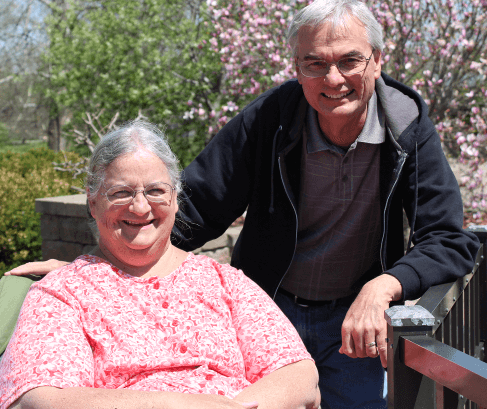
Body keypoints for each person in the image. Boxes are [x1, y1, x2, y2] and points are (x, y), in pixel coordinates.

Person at [6, 0, 480, 408]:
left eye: (349, 61)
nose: (332, 78)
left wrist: (384, 287)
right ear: (296, 67)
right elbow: (190, 206)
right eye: (314, 63)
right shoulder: (271, 120)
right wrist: (93, 271)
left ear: (377, 60)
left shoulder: (406, 127)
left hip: (352, 322)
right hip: (270, 309)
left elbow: (447, 240)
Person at [0, 121, 319, 409]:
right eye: (121, 192)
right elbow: (41, 397)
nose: (140, 207)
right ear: (93, 202)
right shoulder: (63, 292)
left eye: (155, 190)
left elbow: (298, 373)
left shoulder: (223, 281)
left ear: (177, 199)